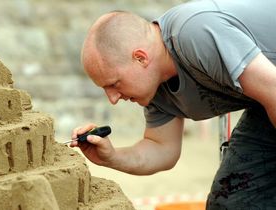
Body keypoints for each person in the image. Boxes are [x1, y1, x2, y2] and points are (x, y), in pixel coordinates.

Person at [71, 0, 276, 209]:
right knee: (231, 202)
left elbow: (273, 90)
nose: (112, 99)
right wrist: (111, 157)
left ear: (140, 58)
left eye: (114, 84)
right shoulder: (155, 87)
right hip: (267, 102)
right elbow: (162, 149)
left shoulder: (195, 33)